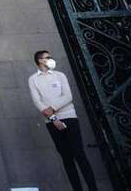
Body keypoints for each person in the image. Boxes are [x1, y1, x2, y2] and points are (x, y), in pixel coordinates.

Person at [28, 50, 98, 191]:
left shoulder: (60, 75)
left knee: (79, 154)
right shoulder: (33, 79)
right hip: (52, 122)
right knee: (67, 158)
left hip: (70, 117)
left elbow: (68, 96)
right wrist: (53, 118)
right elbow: (37, 101)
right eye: (47, 57)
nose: (51, 59)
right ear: (40, 60)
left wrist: (52, 108)